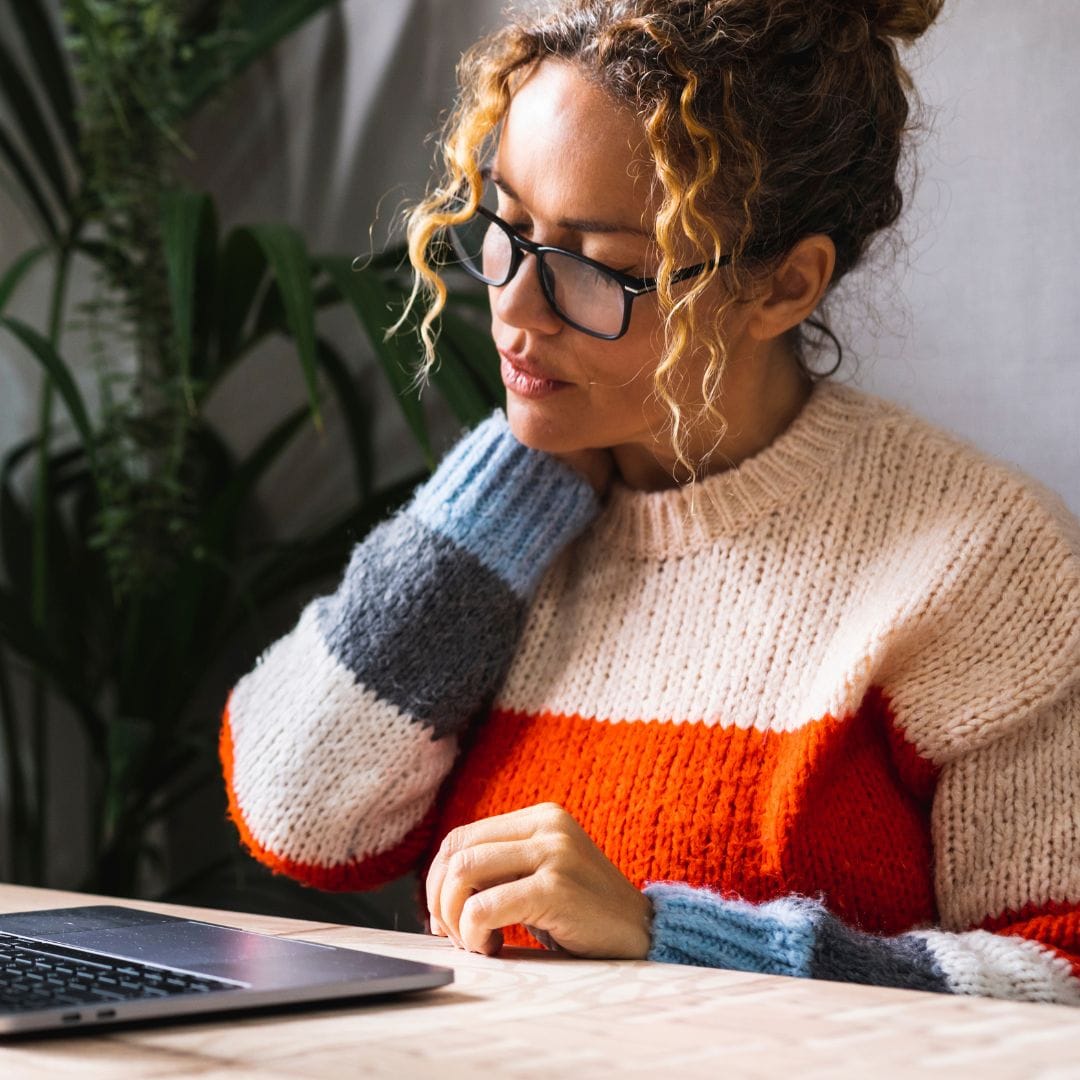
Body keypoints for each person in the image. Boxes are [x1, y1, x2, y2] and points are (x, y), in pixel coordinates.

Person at [219, 0, 1080, 1004]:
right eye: (507, 224)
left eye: (600, 268)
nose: (512, 308)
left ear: (784, 286)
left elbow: (1059, 980)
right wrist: (509, 489)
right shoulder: (517, 524)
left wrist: (662, 933)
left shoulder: (977, 561)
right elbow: (298, 814)